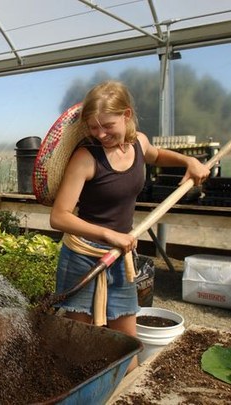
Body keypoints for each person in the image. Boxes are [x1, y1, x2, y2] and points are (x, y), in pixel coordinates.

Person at [48, 81, 210, 372]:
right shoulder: (86, 158)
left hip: (120, 256)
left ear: (126, 114)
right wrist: (110, 235)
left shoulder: (139, 143)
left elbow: (157, 155)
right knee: (77, 344)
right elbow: (59, 216)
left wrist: (189, 161)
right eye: (93, 128)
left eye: (107, 125)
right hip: (84, 257)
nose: (100, 134)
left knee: (126, 342)